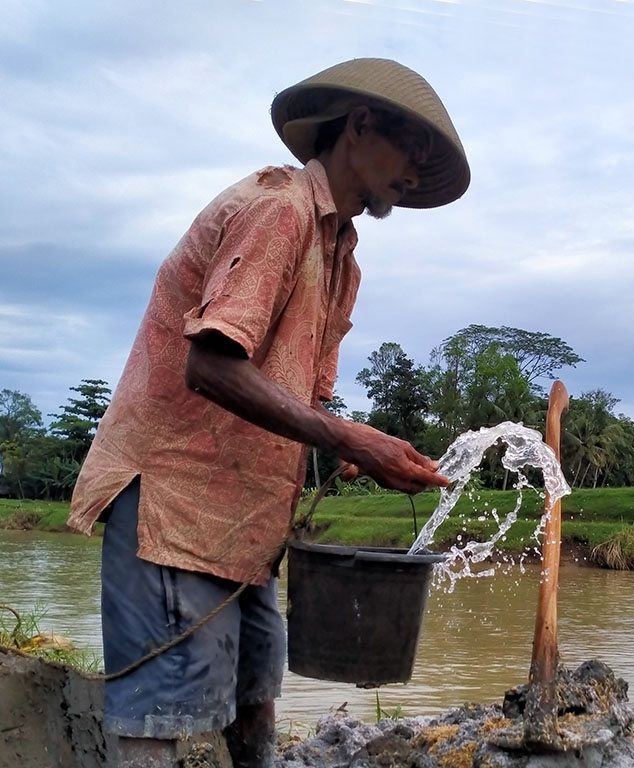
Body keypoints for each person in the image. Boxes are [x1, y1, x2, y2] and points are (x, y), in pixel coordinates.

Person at [68, 58, 470, 768]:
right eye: (414, 150)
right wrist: (346, 433)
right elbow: (212, 364)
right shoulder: (278, 211)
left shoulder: (341, 255)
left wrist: (347, 442)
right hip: (177, 500)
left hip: (247, 520)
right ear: (362, 124)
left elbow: (297, 393)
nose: (415, 174)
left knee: (255, 694)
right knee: (159, 713)